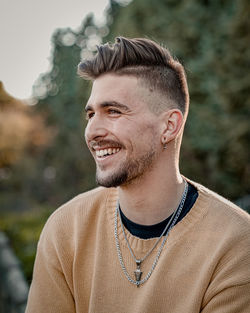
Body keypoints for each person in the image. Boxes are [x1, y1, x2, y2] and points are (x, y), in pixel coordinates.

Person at [25, 37, 250, 313]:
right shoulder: (65, 230)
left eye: (113, 111)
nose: (92, 131)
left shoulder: (236, 243)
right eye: (91, 114)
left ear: (169, 126)